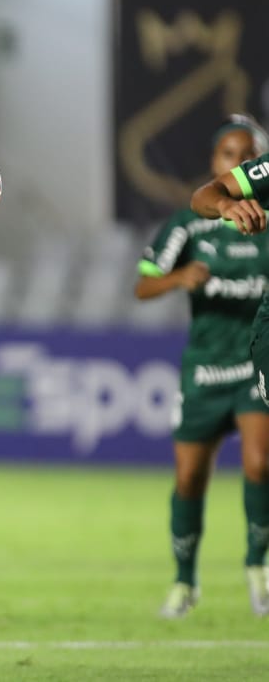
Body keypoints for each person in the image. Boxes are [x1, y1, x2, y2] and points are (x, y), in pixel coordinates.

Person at [144, 114, 269, 618]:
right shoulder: (191, 225)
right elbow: (143, 283)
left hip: (254, 365)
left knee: (261, 463)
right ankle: (184, 582)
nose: (240, 163)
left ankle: (258, 568)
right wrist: (179, 280)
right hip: (204, 369)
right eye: (230, 156)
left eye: (248, 154)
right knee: (190, 477)